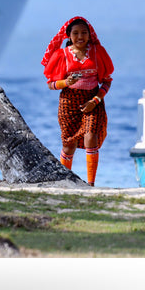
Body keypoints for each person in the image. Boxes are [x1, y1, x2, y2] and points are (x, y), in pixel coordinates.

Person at [41, 16, 115, 186]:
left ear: (90, 35)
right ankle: (64, 181)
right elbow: (51, 85)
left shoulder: (98, 53)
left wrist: (95, 100)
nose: (80, 36)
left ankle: (91, 184)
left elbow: (107, 80)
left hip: (93, 101)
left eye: (83, 33)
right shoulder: (62, 55)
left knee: (91, 137)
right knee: (69, 145)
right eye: (75, 33)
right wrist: (66, 82)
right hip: (68, 102)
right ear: (69, 36)